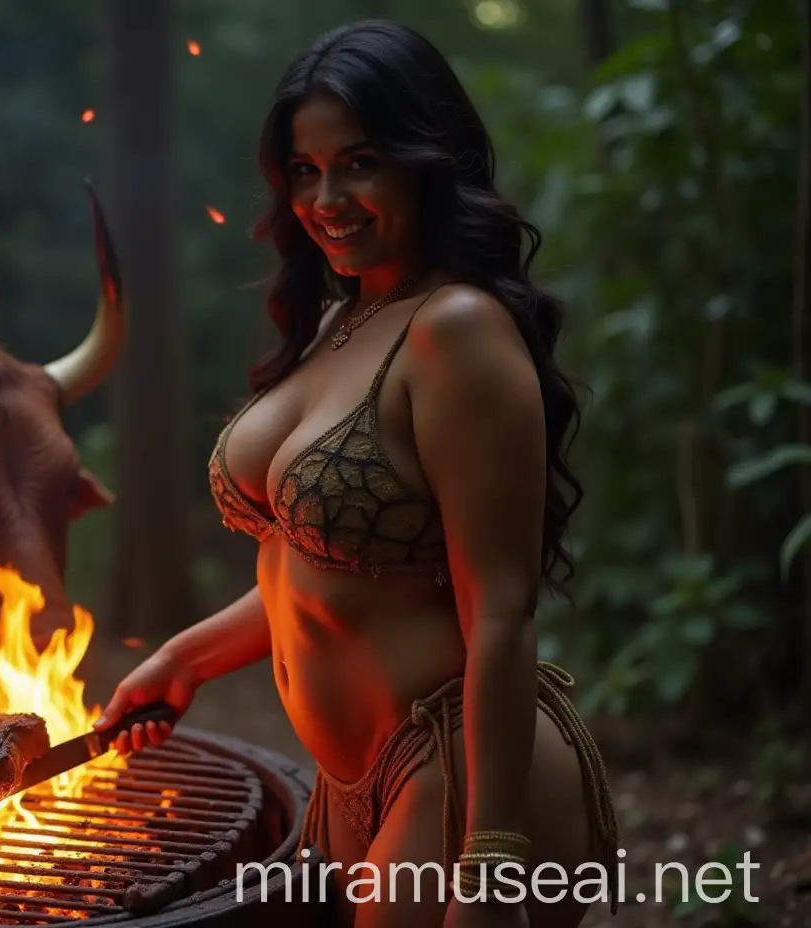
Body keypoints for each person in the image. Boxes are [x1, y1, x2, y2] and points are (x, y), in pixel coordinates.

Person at [93, 19, 618, 928]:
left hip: (457, 775)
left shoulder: (457, 330)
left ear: (429, 160)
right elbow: (328, 575)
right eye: (305, 170)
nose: (327, 196)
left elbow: (498, 610)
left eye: (361, 162)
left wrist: (490, 868)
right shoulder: (341, 320)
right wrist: (186, 657)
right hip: (348, 790)